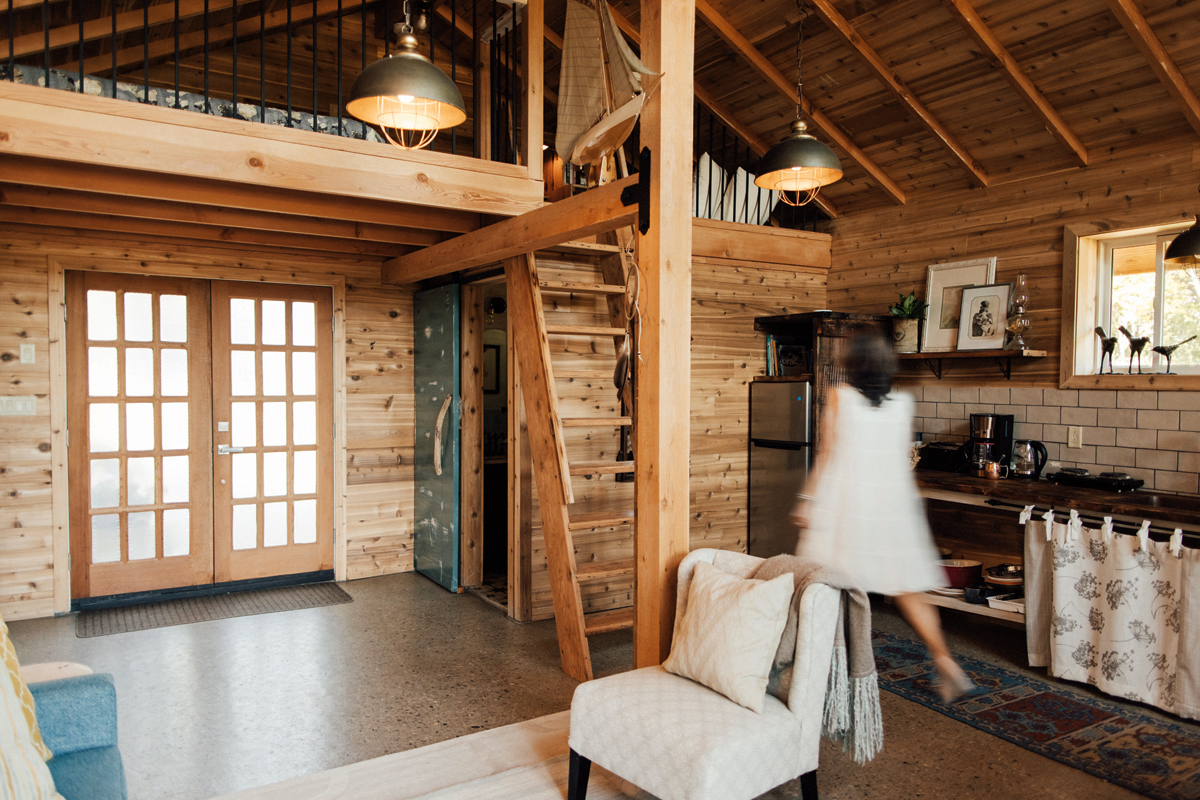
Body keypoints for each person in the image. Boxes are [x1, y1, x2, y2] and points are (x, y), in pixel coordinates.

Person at [790, 332, 973, 702]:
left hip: (845, 503)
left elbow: (826, 454)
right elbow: (900, 457)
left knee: (820, 583)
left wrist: (807, 499)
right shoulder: (902, 404)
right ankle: (945, 661)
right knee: (908, 589)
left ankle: (817, 669)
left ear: (852, 365)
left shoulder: (841, 397)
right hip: (891, 506)